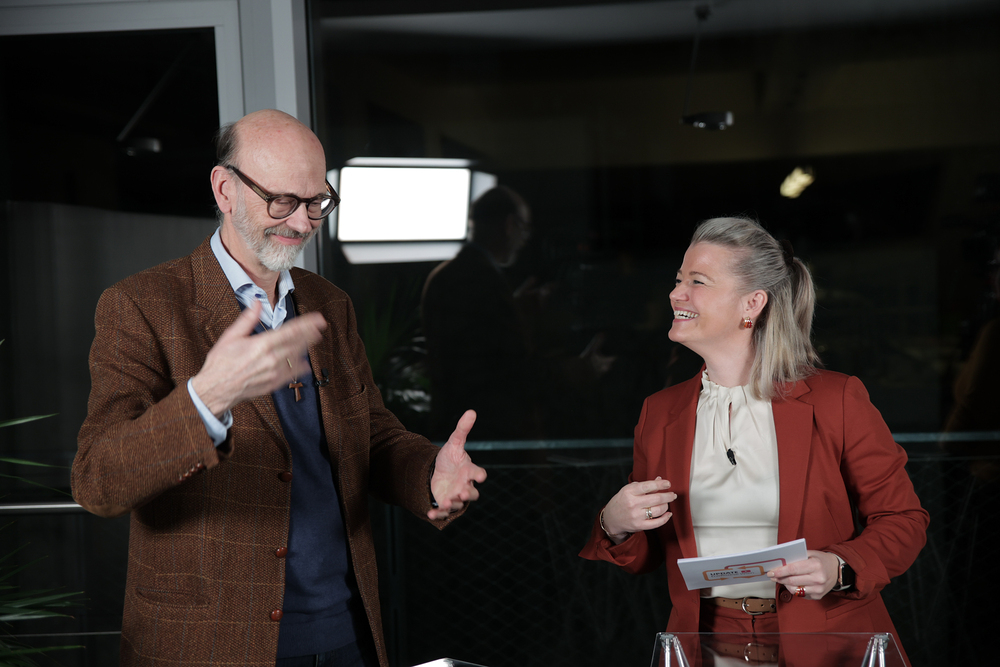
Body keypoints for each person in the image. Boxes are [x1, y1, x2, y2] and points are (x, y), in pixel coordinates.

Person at [71, 109, 487, 667]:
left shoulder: (329, 303)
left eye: (317, 202)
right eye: (282, 201)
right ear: (225, 189)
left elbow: (373, 438)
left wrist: (429, 475)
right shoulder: (141, 305)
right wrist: (206, 400)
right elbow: (97, 481)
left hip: (346, 634)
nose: (302, 221)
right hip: (209, 645)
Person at [580, 217, 928, 656]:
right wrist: (614, 524)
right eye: (679, 279)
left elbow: (903, 519)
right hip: (705, 643)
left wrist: (839, 566)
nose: (676, 293)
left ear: (752, 303)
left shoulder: (836, 399)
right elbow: (646, 554)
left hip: (826, 644)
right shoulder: (659, 412)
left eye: (697, 281)